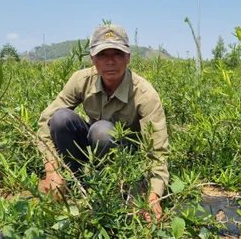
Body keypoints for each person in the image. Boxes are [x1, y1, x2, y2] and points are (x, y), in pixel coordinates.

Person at [37, 23, 169, 221]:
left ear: (128, 57)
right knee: (61, 118)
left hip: (124, 156)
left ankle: (114, 189)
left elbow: (158, 150)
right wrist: (52, 169)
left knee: (102, 131)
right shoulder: (81, 80)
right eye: (102, 55)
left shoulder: (144, 94)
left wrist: (153, 196)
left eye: (117, 53)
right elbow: (46, 121)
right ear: (92, 58)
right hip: (91, 147)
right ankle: (73, 182)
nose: (110, 61)